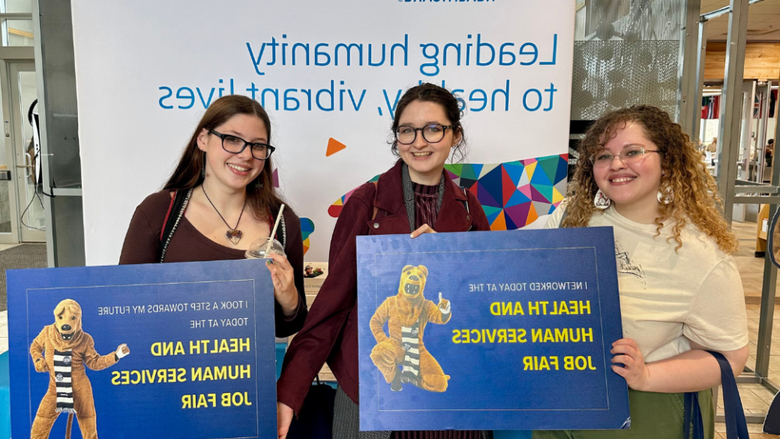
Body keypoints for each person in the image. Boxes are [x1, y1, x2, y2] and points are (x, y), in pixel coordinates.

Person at [276, 83, 491, 439]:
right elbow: (333, 305)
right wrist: (290, 390)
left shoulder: (469, 209)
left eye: (433, 129)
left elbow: (487, 302)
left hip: (453, 397)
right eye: (407, 131)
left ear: (455, 135)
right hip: (373, 393)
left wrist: (450, 264)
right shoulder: (366, 203)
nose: (418, 142)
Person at [537, 105, 748, 438]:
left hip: (645, 415)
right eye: (603, 156)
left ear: (667, 160)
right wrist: (440, 250)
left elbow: (729, 358)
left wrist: (647, 376)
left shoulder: (701, 254)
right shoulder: (568, 218)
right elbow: (504, 262)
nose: (617, 164)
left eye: (632, 152)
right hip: (559, 408)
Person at [119, 94, 307, 337]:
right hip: (171, 370)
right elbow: (124, 309)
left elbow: (288, 328)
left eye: (258, 145)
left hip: (249, 373)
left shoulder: (283, 222)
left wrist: (290, 300)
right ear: (203, 139)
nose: (246, 155)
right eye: (232, 139)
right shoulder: (158, 212)